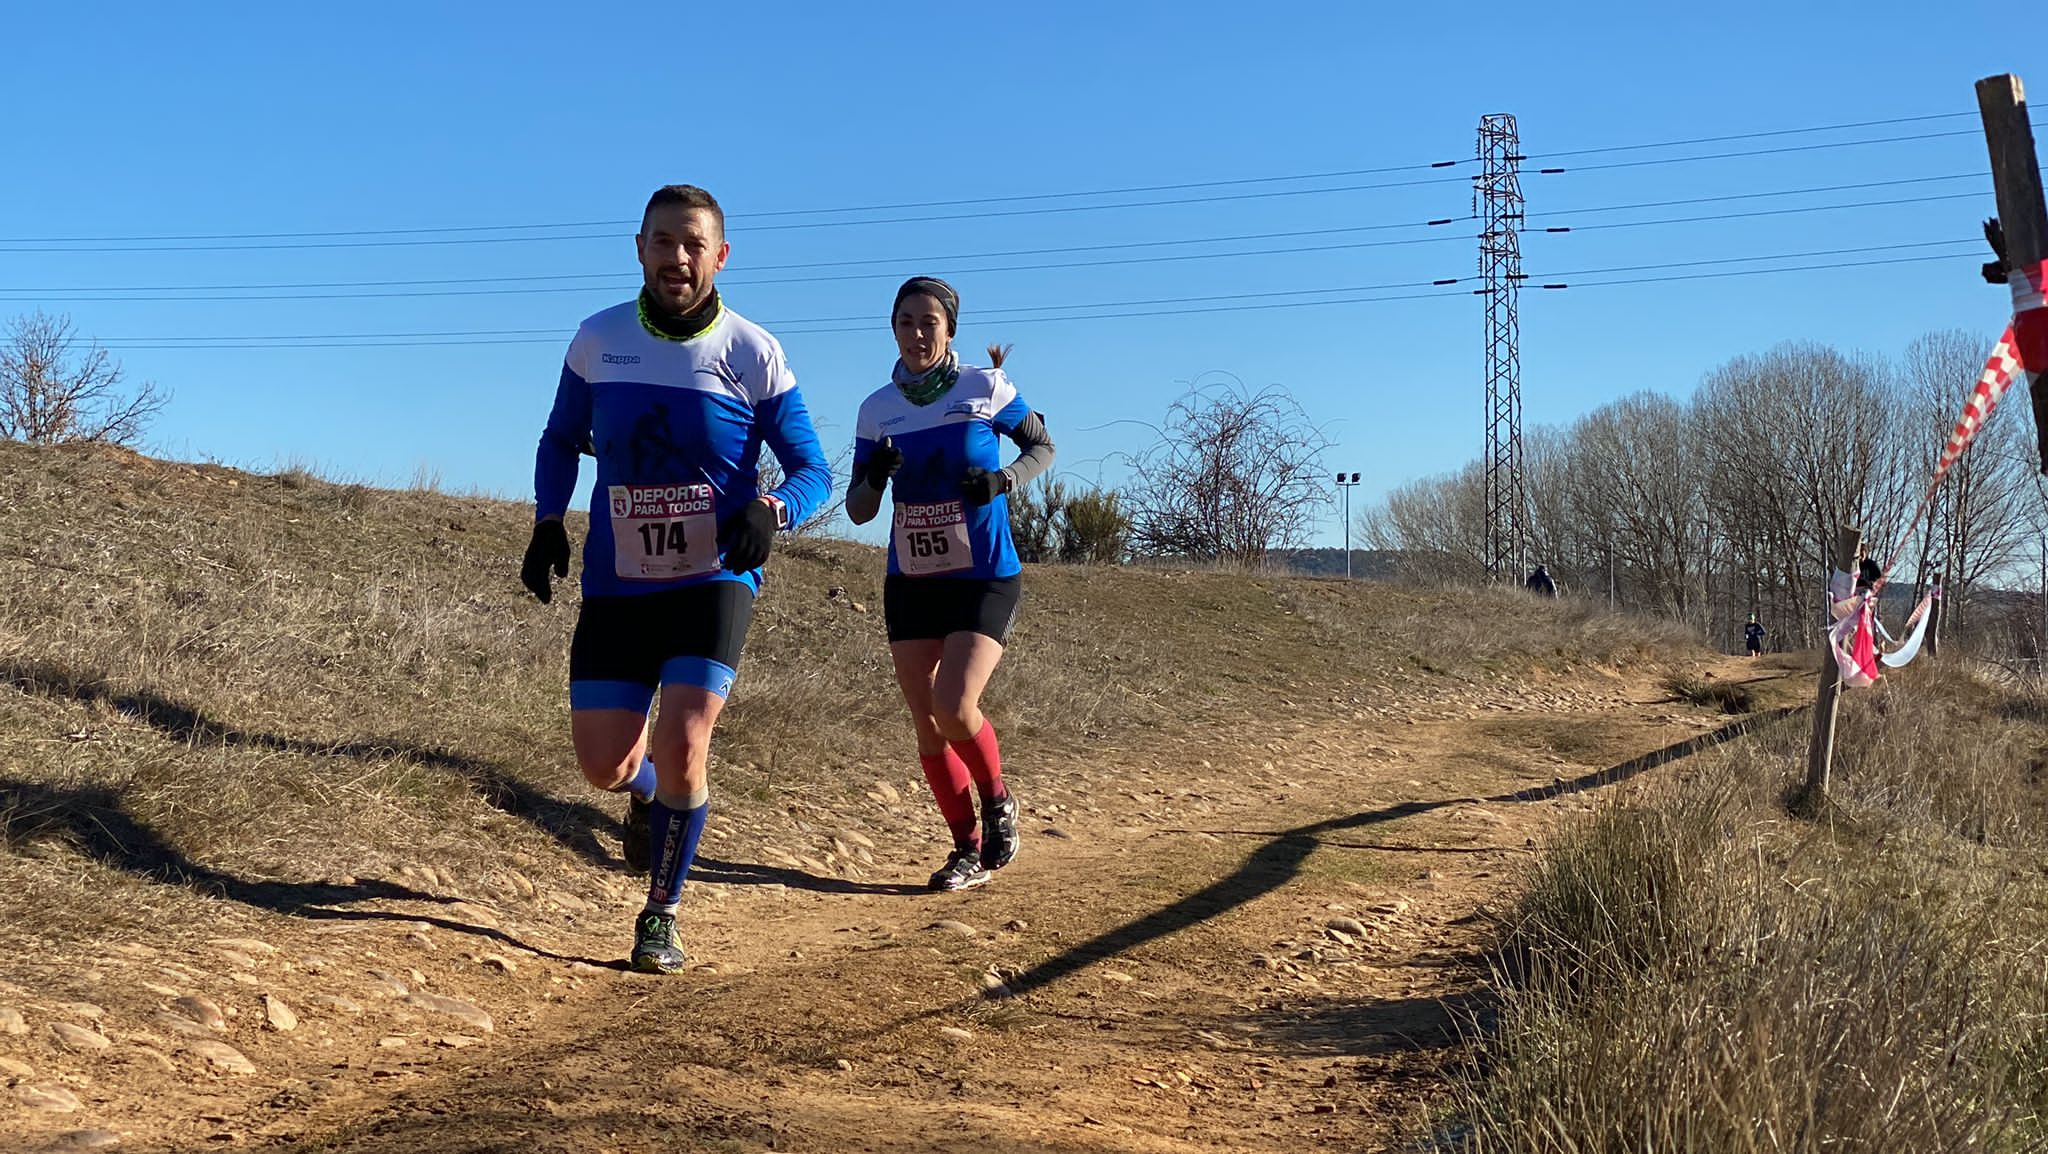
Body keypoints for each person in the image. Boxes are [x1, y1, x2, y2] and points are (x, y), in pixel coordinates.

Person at [521, 184, 831, 974]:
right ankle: (648, 796)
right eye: (663, 242)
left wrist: (774, 510)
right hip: (620, 582)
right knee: (606, 765)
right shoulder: (598, 339)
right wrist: (549, 521)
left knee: (687, 740)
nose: (677, 257)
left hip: (714, 578)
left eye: (693, 244)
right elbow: (560, 439)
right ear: (639, 248)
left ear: (719, 256)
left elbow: (812, 470)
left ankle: (660, 913)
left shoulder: (752, 351)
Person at [846, 277, 1055, 892]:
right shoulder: (876, 408)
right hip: (912, 579)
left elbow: (1042, 445)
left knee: (955, 705)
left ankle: (997, 800)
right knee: (926, 722)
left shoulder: (984, 388)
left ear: (950, 329)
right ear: (893, 328)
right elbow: (859, 511)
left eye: (928, 322)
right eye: (905, 321)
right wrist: (875, 478)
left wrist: (1006, 480)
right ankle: (965, 847)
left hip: (983, 573)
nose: (916, 334)